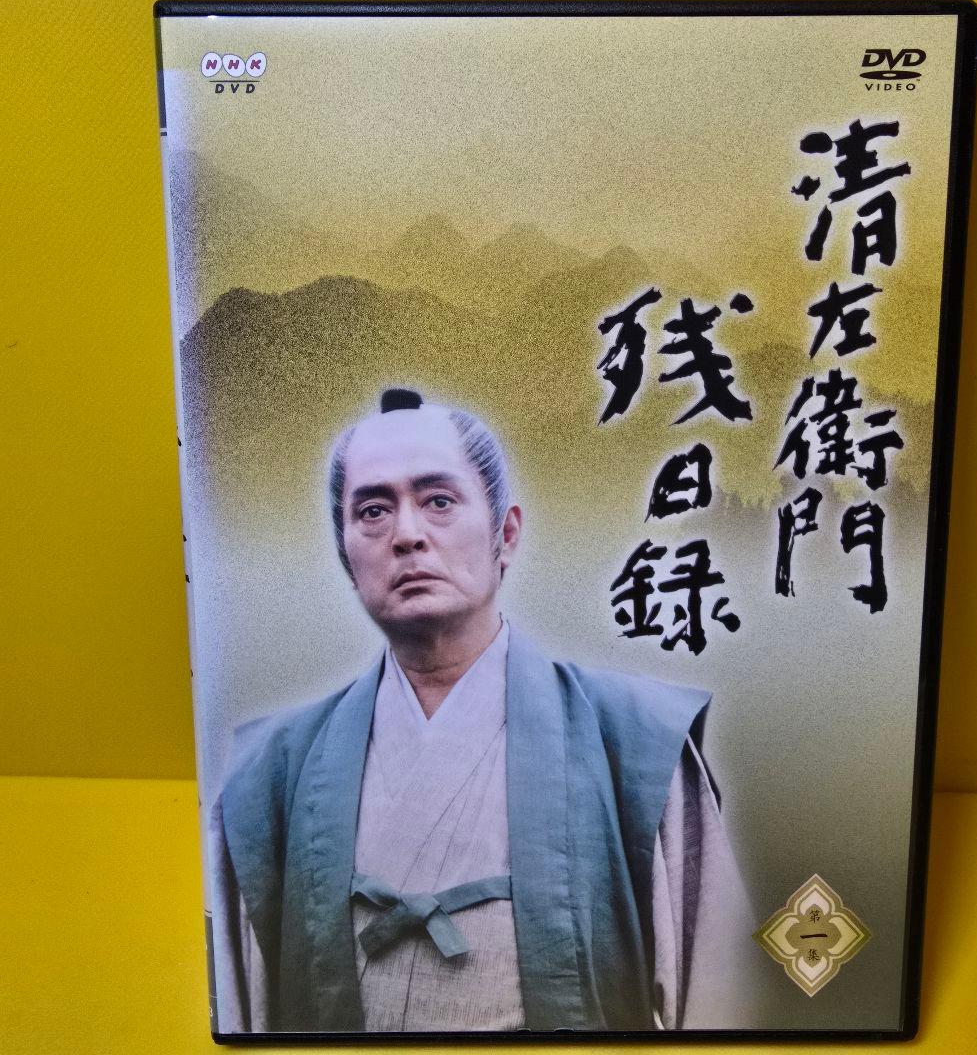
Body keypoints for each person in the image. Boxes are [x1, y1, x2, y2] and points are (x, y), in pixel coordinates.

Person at [209, 388, 759, 1034]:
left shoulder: (635, 740)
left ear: (507, 533)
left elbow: (729, 999)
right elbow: (236, 1018)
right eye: (373, 511)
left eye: (439, 501)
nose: (407, 535)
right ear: (346, 557)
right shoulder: (269, 773)